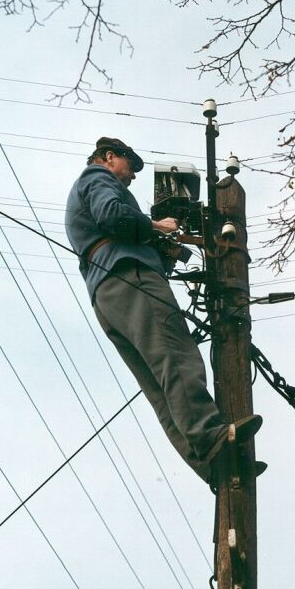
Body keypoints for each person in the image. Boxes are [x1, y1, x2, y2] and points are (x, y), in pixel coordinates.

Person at [65, 136, 263, 485]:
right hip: (130, 275)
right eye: (130, 167)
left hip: (106, 292)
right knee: (176, 356)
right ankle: (209, 434)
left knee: (159, 387)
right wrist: (157, 226)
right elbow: (113, 215)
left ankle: (212, 466)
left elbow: (112, 225)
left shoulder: (84, 192)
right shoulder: (97, 178)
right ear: (109, 157)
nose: (133, 176)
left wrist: (157, 246)